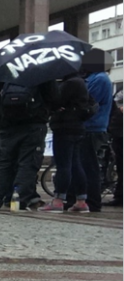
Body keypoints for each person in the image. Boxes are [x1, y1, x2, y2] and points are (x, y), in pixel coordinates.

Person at [0, 79, 60, 211]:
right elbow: (54, 99)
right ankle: (18, 201)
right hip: (34, 125)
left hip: (7, 127)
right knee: (27, 164)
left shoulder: (4, 71)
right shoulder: (43, 71)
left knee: (3, 164)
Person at [40, 73, 92, 213]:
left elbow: (55, 101)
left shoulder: (70, 83)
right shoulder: (81, 82)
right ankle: (81, 201)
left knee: (63, 165)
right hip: (78, 127)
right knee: (76, 164)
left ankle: (58, 200)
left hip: (64, 127)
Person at [77, 49, 114, 213]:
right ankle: (87, 199)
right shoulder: (95, 77)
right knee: (86, 165)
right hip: (92, 127)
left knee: (90, 166)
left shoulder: (100, 78)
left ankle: (92, 201)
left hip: (93, 127)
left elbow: (88, 100)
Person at [105, 91, 122, 207]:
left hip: (120, 133)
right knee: (120, 167)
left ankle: (120, 196)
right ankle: (119, 196)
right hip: (117, 133)